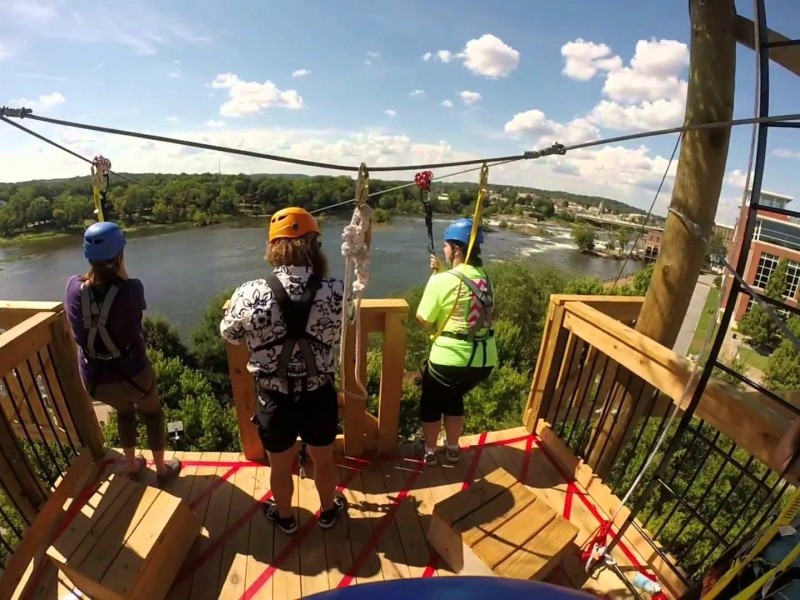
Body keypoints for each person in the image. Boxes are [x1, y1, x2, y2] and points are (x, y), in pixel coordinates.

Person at [220, 207, 348, 534]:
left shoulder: (250, 292)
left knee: (279, 464)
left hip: (274, 397)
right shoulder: (336, 290)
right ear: (313, 246)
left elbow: (230, 334)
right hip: (319, 393)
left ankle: (287, 517)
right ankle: (329, 511)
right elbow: (347, 323)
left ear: (274, 247)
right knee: (323, 459)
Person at [64, 221, 181, 487]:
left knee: (124, 413)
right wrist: (119, 269)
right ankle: (161, 470)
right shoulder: (132, 289)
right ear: (120, 255)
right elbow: (125, 297)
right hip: (133, 376)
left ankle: (131, 465)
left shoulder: (72, 287)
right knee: (152, 413)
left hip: (96, 382)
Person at [414, 217, 497, 466]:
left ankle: (429, 450)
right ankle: (452, 448)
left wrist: (435, 279)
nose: (445, 250)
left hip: (448, 360)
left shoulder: (441, 280)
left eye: (447, 246)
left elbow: (423, 320)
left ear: (457, 249)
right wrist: (442, 274)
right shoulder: (486, 279)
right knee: (453, 396)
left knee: (431, 401)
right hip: (483, 362)